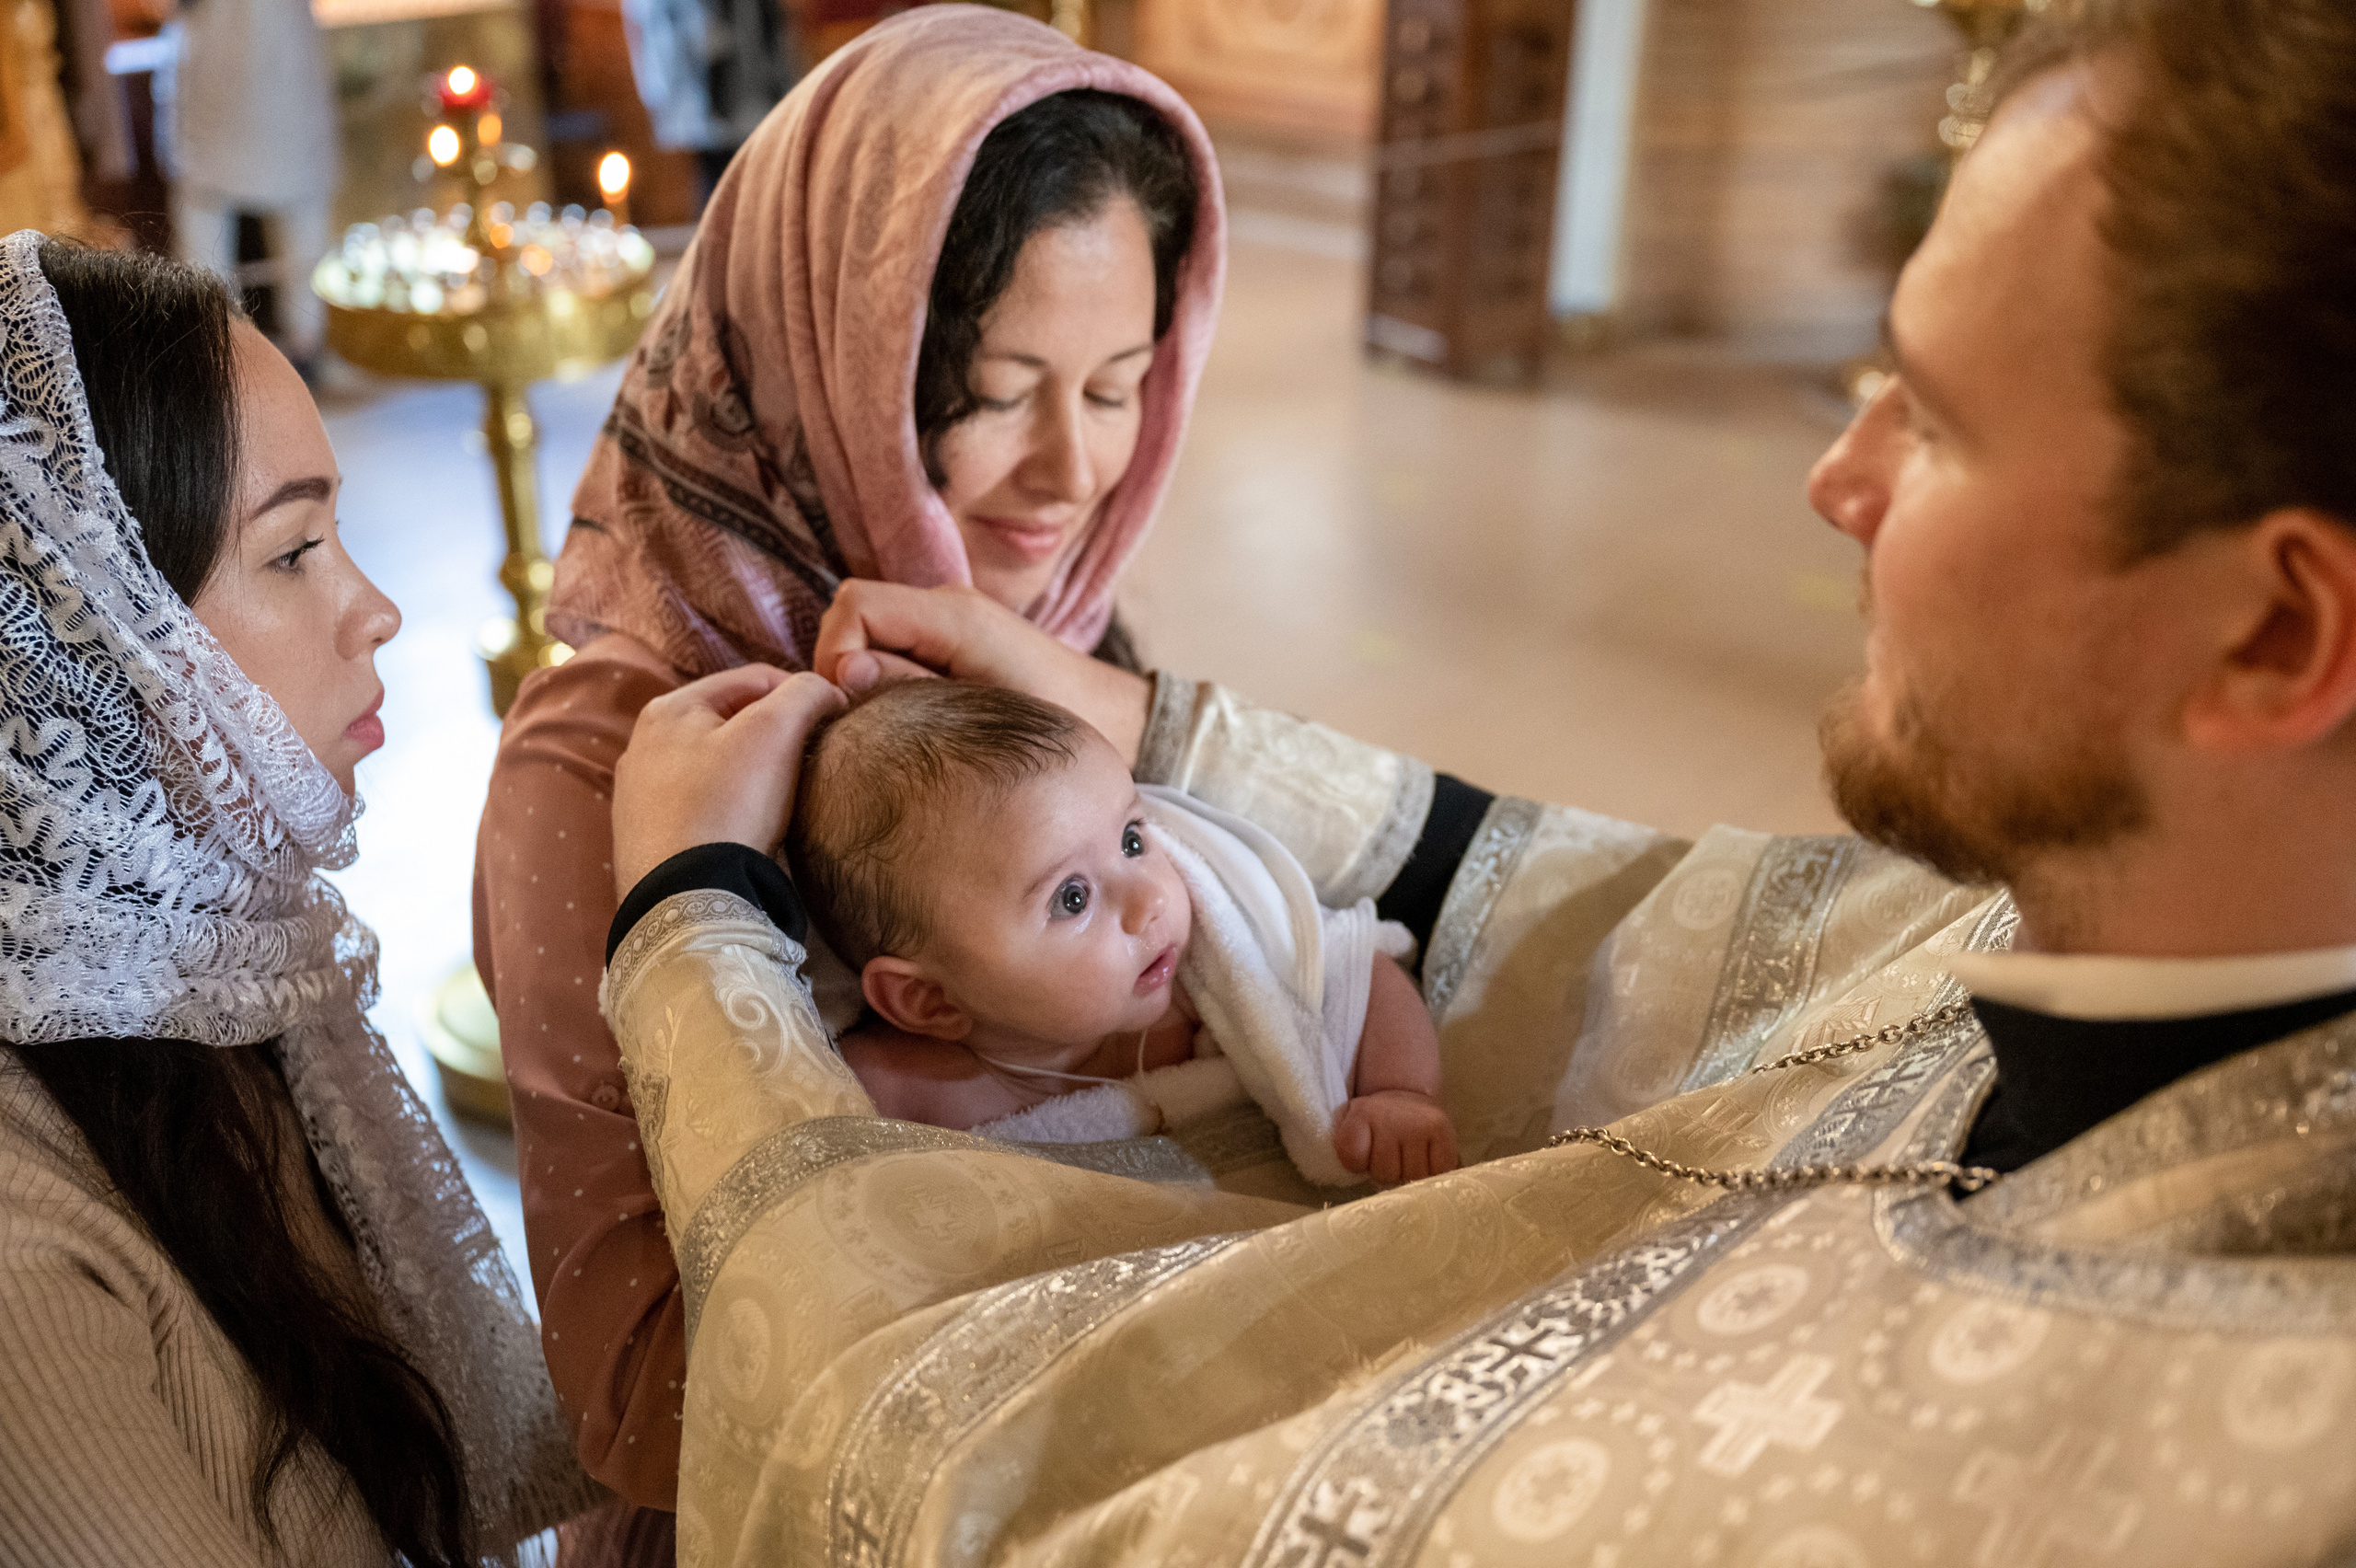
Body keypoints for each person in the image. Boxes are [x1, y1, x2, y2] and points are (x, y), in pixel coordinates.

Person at [594, 0, 2356, 1560]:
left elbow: (933, 1475)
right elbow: (1596, 899)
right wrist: (1144, 731)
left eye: (1942, 419)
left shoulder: (2203, 1448)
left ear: (2277, 639)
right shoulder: (2100, 906)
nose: (1838, 472)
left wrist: (696, 929)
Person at [472, 4, 1224, 1515]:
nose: (1074, 475)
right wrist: (710, 905)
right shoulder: (606, 769)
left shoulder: (1055, 634)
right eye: (1000, 392)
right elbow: (642, 1400)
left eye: (1118, 384)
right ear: (835, 355)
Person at [0, 241, 596, 1562]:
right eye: (293, 552)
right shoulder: (25, 1272)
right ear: (87, 645)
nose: (374, 611)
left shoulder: (231, 989)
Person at [780, 680, 1458, 1183]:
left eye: (1133, 839)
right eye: (1071, 897)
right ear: (930, 1001)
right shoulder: (894, 1091)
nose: (1151, 900)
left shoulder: (1202, 988)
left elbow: (1353, 967)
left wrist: (1400, 1093)